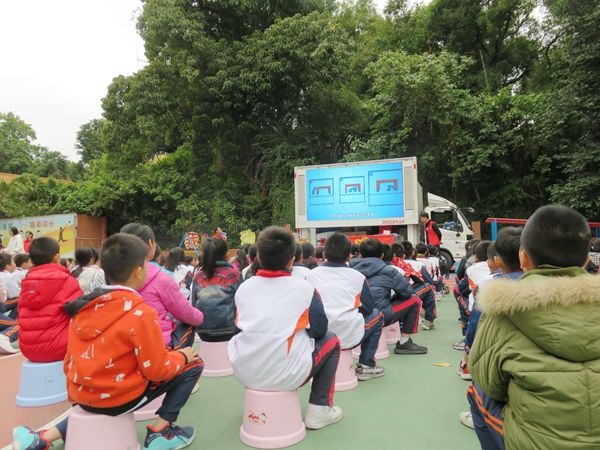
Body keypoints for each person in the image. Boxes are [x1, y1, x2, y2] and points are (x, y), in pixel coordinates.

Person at [12, 233, 203, 450]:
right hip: (120, 400)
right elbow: (157, 370)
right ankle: (161, 430)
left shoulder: (81, 308)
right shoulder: (142, 313)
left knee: (101, 392)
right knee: (194, 364)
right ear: (138, 271)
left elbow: (69, 361)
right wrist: (181, 356)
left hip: (81, 396)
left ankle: (43, 437)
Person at [469, 205, 600, 449]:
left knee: (477, 391)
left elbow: (491, 386)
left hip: (535, 443)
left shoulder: (504, 309)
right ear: (585, 261)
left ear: (524, 258)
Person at [228, 226, 343, 430]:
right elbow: (320, 330)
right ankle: (319, 408)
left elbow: (237, 330)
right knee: (332, 340)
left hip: (244, 373)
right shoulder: (305, 289)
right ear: (292, 260)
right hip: (287, 376)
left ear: (258, 257)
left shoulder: (243, 288)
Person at [459, 227, 522, 430]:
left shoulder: (488, 285)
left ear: (495, 261)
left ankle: (478, 413)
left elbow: (475, 326)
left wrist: (469, 349)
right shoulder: (546, 285)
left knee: (479, 379)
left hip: (499, 363)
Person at [307, 233, 385, 380]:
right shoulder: (358, 277)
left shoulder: (311, 275)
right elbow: (368, 308)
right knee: (377, 315)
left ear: (324, 254)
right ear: (349, 255)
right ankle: (366, 365)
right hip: (349, 334)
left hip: (319, 336)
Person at [121, 223, 203, 349]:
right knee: (188, 322)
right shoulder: (160, 278)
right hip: (157, 345)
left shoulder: (113, 277)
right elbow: (185, 312)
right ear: (150, 244)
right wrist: (202, 317)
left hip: (123, 342)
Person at [350, 239, 427, 355]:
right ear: (382, 255)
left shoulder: (349, 269)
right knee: (415, 300)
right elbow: (407, 292)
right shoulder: (389, 271)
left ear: (360, 253)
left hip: (352, 317)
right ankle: (404, 342)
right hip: (378, 317)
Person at [18, 237, 83, 362]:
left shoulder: (26, 282)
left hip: (27, 349)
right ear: (56, 257)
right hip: (58, 348)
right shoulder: (66, 280)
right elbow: (79, 312)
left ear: (31, 260)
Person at [191, 237, 240, 342]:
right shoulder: (233, 274)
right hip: (227, 329)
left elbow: (193, 303)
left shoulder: (198, 276)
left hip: (202, 330)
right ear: (226, 254)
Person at [402, 241, 438, 331]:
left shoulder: (394, 263)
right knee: (428, 287)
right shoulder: (418, 264)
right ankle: (428, 319)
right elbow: (429, 280)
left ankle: (423, 314)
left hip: (393, 295)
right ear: (413, 252)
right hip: (410, 293)